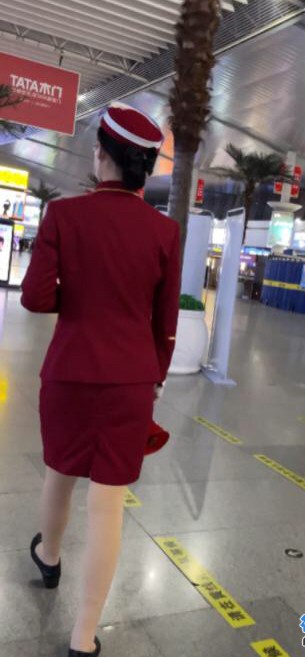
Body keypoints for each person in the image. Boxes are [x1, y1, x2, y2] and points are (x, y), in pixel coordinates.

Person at [21, 104, 180, 657]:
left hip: (69, 373)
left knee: (59, 475)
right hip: (130, 381)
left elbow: (35, 297)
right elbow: (165, 322)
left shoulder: (63, 215)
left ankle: (50, 557)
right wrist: (155, 377)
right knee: (108, 506)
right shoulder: (165, 231)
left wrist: (79, 303)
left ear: (101, 156)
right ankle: (83, 638)